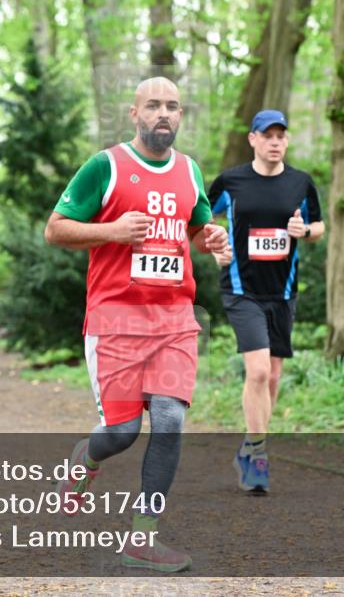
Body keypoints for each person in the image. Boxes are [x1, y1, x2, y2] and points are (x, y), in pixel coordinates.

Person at [44, 76, 232, 572]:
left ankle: (143, 537)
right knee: (122, 433)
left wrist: (212, 238)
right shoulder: (105, 166)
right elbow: (55, 229)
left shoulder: (190, 170)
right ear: (134, 114)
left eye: (172, 106)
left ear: (181, 115)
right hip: (115, 321)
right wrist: (112, 230)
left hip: (174, 320)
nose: (163, 114)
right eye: (153, 105)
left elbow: (197, 226)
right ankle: (87, 458)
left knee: (170, 420)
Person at [207, 109, 324, 494]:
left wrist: (304, 230)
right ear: (253, 139)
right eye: (267, 135)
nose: (275, 141)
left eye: (281, 135)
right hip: (241, 289)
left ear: (286, 141)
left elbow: (319, 226)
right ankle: (258, 455)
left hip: (283, 291)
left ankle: (248, 445)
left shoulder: (300, 184)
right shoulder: (231, 181)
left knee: (272, 376)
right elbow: (203, 220)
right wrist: (216, 247)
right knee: (257, 372)